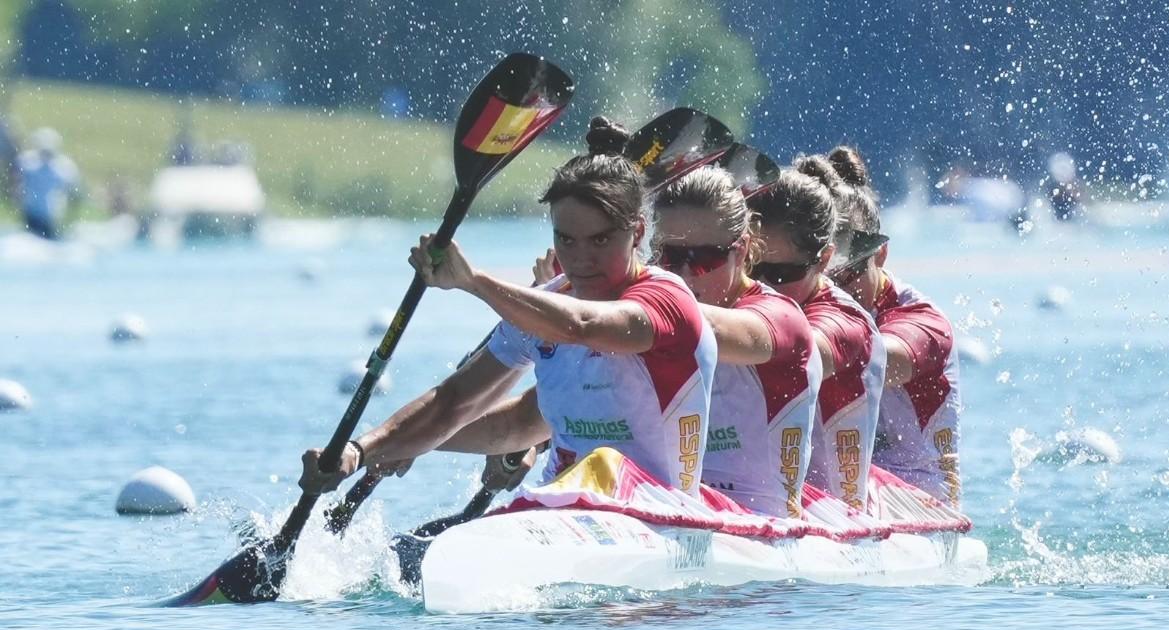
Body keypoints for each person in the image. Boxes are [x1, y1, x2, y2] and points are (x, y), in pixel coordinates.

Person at [299, 117, 718, 497]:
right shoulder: (545, 304)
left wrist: (473, 281)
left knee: (604, 466)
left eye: (600, 240)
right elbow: (457, 405)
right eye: (566, 240)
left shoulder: (667, 300)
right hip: (559, 509)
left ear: (637, 232)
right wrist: (362, 450)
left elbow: (581, 326)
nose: (581, 258)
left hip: (661, 513)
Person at [651, 165, 819, 517]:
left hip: (761, 527)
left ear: (740, 250)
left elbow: (688, 324)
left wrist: (587, 308)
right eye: (672, 256)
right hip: (673, 506)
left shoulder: (781, 319)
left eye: (703, 259)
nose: (682, 274)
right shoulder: (643, 311)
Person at [825, 146, 963, 507]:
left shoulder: (924, 322)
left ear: (880, 256)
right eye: (824, 278)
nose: (836, 290)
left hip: (919, 501)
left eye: (849, 274)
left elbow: (880, 362)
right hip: (839, 490)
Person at [746, 158, 885, 510]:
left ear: (823, 260)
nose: (762, 285)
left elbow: (797, 351)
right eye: (752, 267)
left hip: (832, 517)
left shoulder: (846, 319)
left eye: (779, 274)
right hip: (748, 499)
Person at [16, 127, 80, 240]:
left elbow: (74, 195)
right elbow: (15, 184)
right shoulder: (27, 162)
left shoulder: (63, 167)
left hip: (50, 217)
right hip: (31, 214)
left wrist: (68, 217)